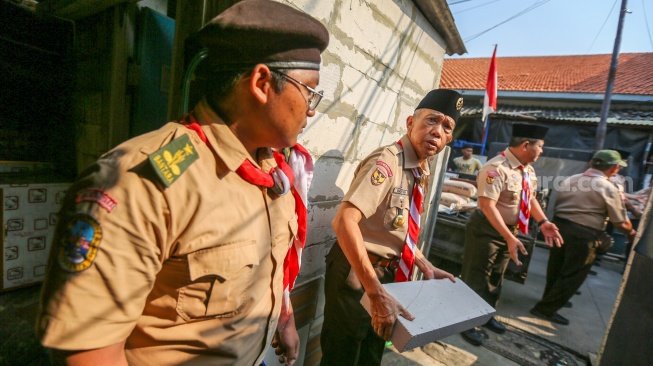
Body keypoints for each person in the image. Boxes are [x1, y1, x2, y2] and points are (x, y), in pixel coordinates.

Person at [35, 1, 329, 365]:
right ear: (262, 83)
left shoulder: (272, 171)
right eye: (310, 91)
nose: (312, 108)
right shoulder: (141, 183)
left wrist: (284, 320)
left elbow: (268, 271)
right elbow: (87, 350)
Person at [320, 89, 460, 365]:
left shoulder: (422, 167)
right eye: (432, 120)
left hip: (386, 277)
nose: (437, 131)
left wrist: (424, 264)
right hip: (358, 275)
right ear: (410, 123)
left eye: (447, 127)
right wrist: (374, 292)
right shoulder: (387, 162)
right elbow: (344, 221)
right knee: (343, 356)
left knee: (372, 353)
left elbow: (399, 229)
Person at [460, 123, 564, 346]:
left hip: (509, 233)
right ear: (527, 145)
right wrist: (509, 237)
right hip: (486, 231)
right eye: (541, 146)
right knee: (477, 277)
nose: (542, 151)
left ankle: (486, 315)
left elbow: (530, 198)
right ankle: (466, 322)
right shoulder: (495, 168)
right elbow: (488, 207)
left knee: (496, 278)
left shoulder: (526, 169)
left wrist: (543, 221)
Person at [530, 150, 636, 325]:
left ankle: (549, 300)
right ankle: (545, 309)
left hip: (559, 227)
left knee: (556, 269)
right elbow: (621, 223)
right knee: (573, 274)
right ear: (614, 168)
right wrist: (632, 234)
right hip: (583, 235)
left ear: (592, 163)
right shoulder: (608, 187)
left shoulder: (571, 179)